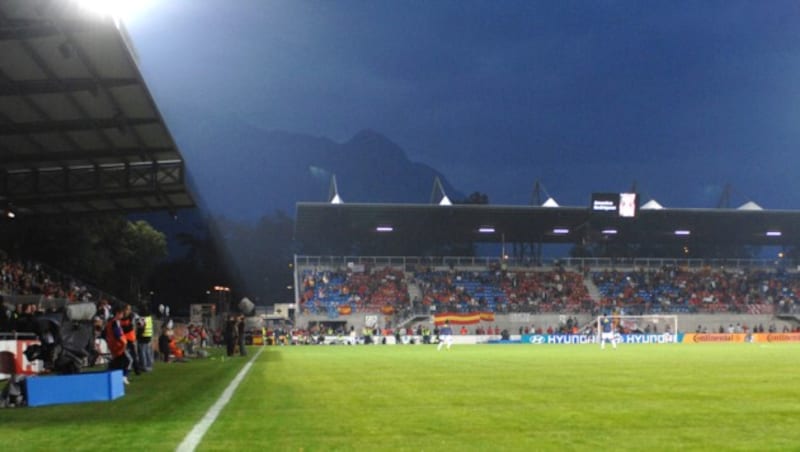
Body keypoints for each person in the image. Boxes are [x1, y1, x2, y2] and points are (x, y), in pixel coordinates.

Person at [105, 307, 132, 384]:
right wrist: (124, 342)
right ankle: (123, 377)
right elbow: (117, 334)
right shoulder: (115, 322)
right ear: (117, 313)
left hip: (113, 344)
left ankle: (111, 376)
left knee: (118, 362)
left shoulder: (110, 322)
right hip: (118, 345)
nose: (123, 315)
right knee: (128, 360)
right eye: (122, 313)